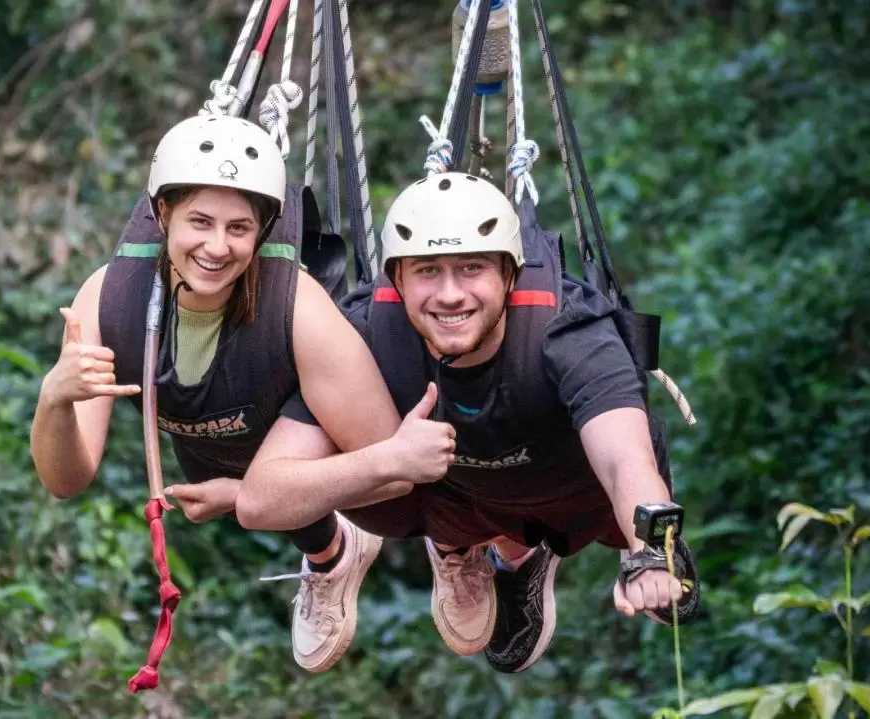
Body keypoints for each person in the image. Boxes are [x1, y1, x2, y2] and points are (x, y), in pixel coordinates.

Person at [28, 114, 455, 676]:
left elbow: (390, 470)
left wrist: (252, 495)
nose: (217, 247)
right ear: (162, 216)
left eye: (238, 229)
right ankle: (330, 553)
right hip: (206, 431)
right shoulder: (107, 300)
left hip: (299, 416)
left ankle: (441, 545)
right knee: (234, 473)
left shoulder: (299, 309)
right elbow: (66, 480)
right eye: (199, 222)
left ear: (262, 231)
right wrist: (54, 398)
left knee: (284, 486)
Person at [237, 171, 700, 674]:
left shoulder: (570, 328)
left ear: (509, 274)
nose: (451, 294)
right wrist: (386, 459)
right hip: (460, 494)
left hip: (569, 484)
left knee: (631, 488)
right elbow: (261, 499)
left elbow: (623, 456)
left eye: (472, 268)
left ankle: (530, 550)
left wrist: (650, 550)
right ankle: (487, 551)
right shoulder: (366, 334)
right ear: (396, 279)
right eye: (428, 271)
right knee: (376, 489)